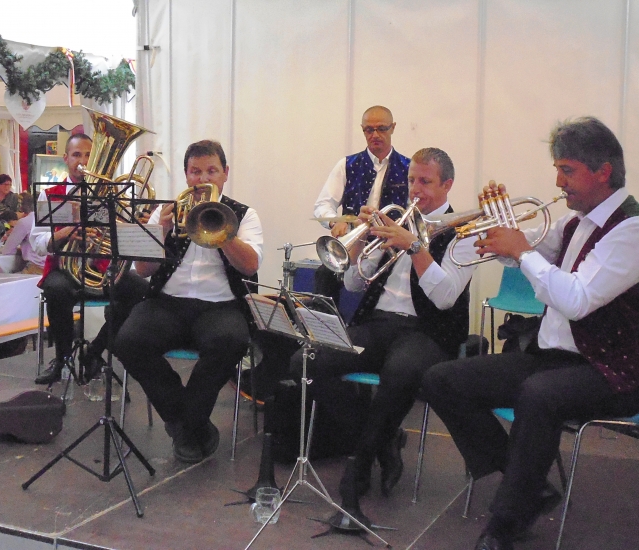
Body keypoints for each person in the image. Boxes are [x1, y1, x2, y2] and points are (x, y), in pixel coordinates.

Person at [421, 117, 639, 550]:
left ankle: (505, 523)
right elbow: (528, 247)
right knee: (442, 379)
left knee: (539, 395)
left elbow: (577, 299)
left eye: (567, 171)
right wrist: (497, 234)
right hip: (556, 359)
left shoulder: (637, 231)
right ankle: (527, 487)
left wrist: (521, 251)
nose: (558, 182)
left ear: (603, 171)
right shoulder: (577, 221)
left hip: (614, 371)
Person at [291, 148, 478, 516]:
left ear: (447, 185)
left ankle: (359, 465)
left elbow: (445, 298)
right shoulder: (395, 220)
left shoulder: (464, 232)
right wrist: (361, 241)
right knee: (306, 360)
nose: (415, 189)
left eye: (425, 181)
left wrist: (415, 247)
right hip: (378, 322)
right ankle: (382, 441)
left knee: (400, 373)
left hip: (430, 330)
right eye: (411, 180)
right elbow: (353, 284)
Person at [111, 140, 264, 464]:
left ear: (225, 174)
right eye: (195, 172)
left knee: (231, 341)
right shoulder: (165, 211)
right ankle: (189, 423)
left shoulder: (244, 215)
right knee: (128, 341)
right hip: (168, 302)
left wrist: (223, 233)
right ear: (186, 175)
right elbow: (143, 270)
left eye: (211, 171)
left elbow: (250, 266)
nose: (203, 179)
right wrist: (161, 230)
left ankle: (187, 426)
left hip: (221, 304)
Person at [312, 106, 411, 305]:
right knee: (323, 276)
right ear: (362, 130)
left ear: (393, 128)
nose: (375, 135)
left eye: (381, 129)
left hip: (388, 248)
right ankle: (325, 322)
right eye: (369, 130)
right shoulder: (346, 165)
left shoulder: (409, 167)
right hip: (352, 245)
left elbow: (414, 213)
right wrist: (336, 222)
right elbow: (323, 204)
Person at [30, 133, 98, 385]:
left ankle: (94, 351)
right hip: (65, 270)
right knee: (56, 289)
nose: (83, 161)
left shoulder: (107, 194)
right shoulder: (49, 195)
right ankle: (62, 358)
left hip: (99, 268)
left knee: (138, 292)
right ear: (65, 158)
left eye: (89, 155)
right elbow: (37, 242)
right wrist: (63, 234)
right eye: (77, 155)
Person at [1, 192, 44, 275]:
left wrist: (22, 250)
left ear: (22, 207)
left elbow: (7, 250)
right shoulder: (52, 219)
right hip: (51, 268)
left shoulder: (25, 222)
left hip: (34, 269)